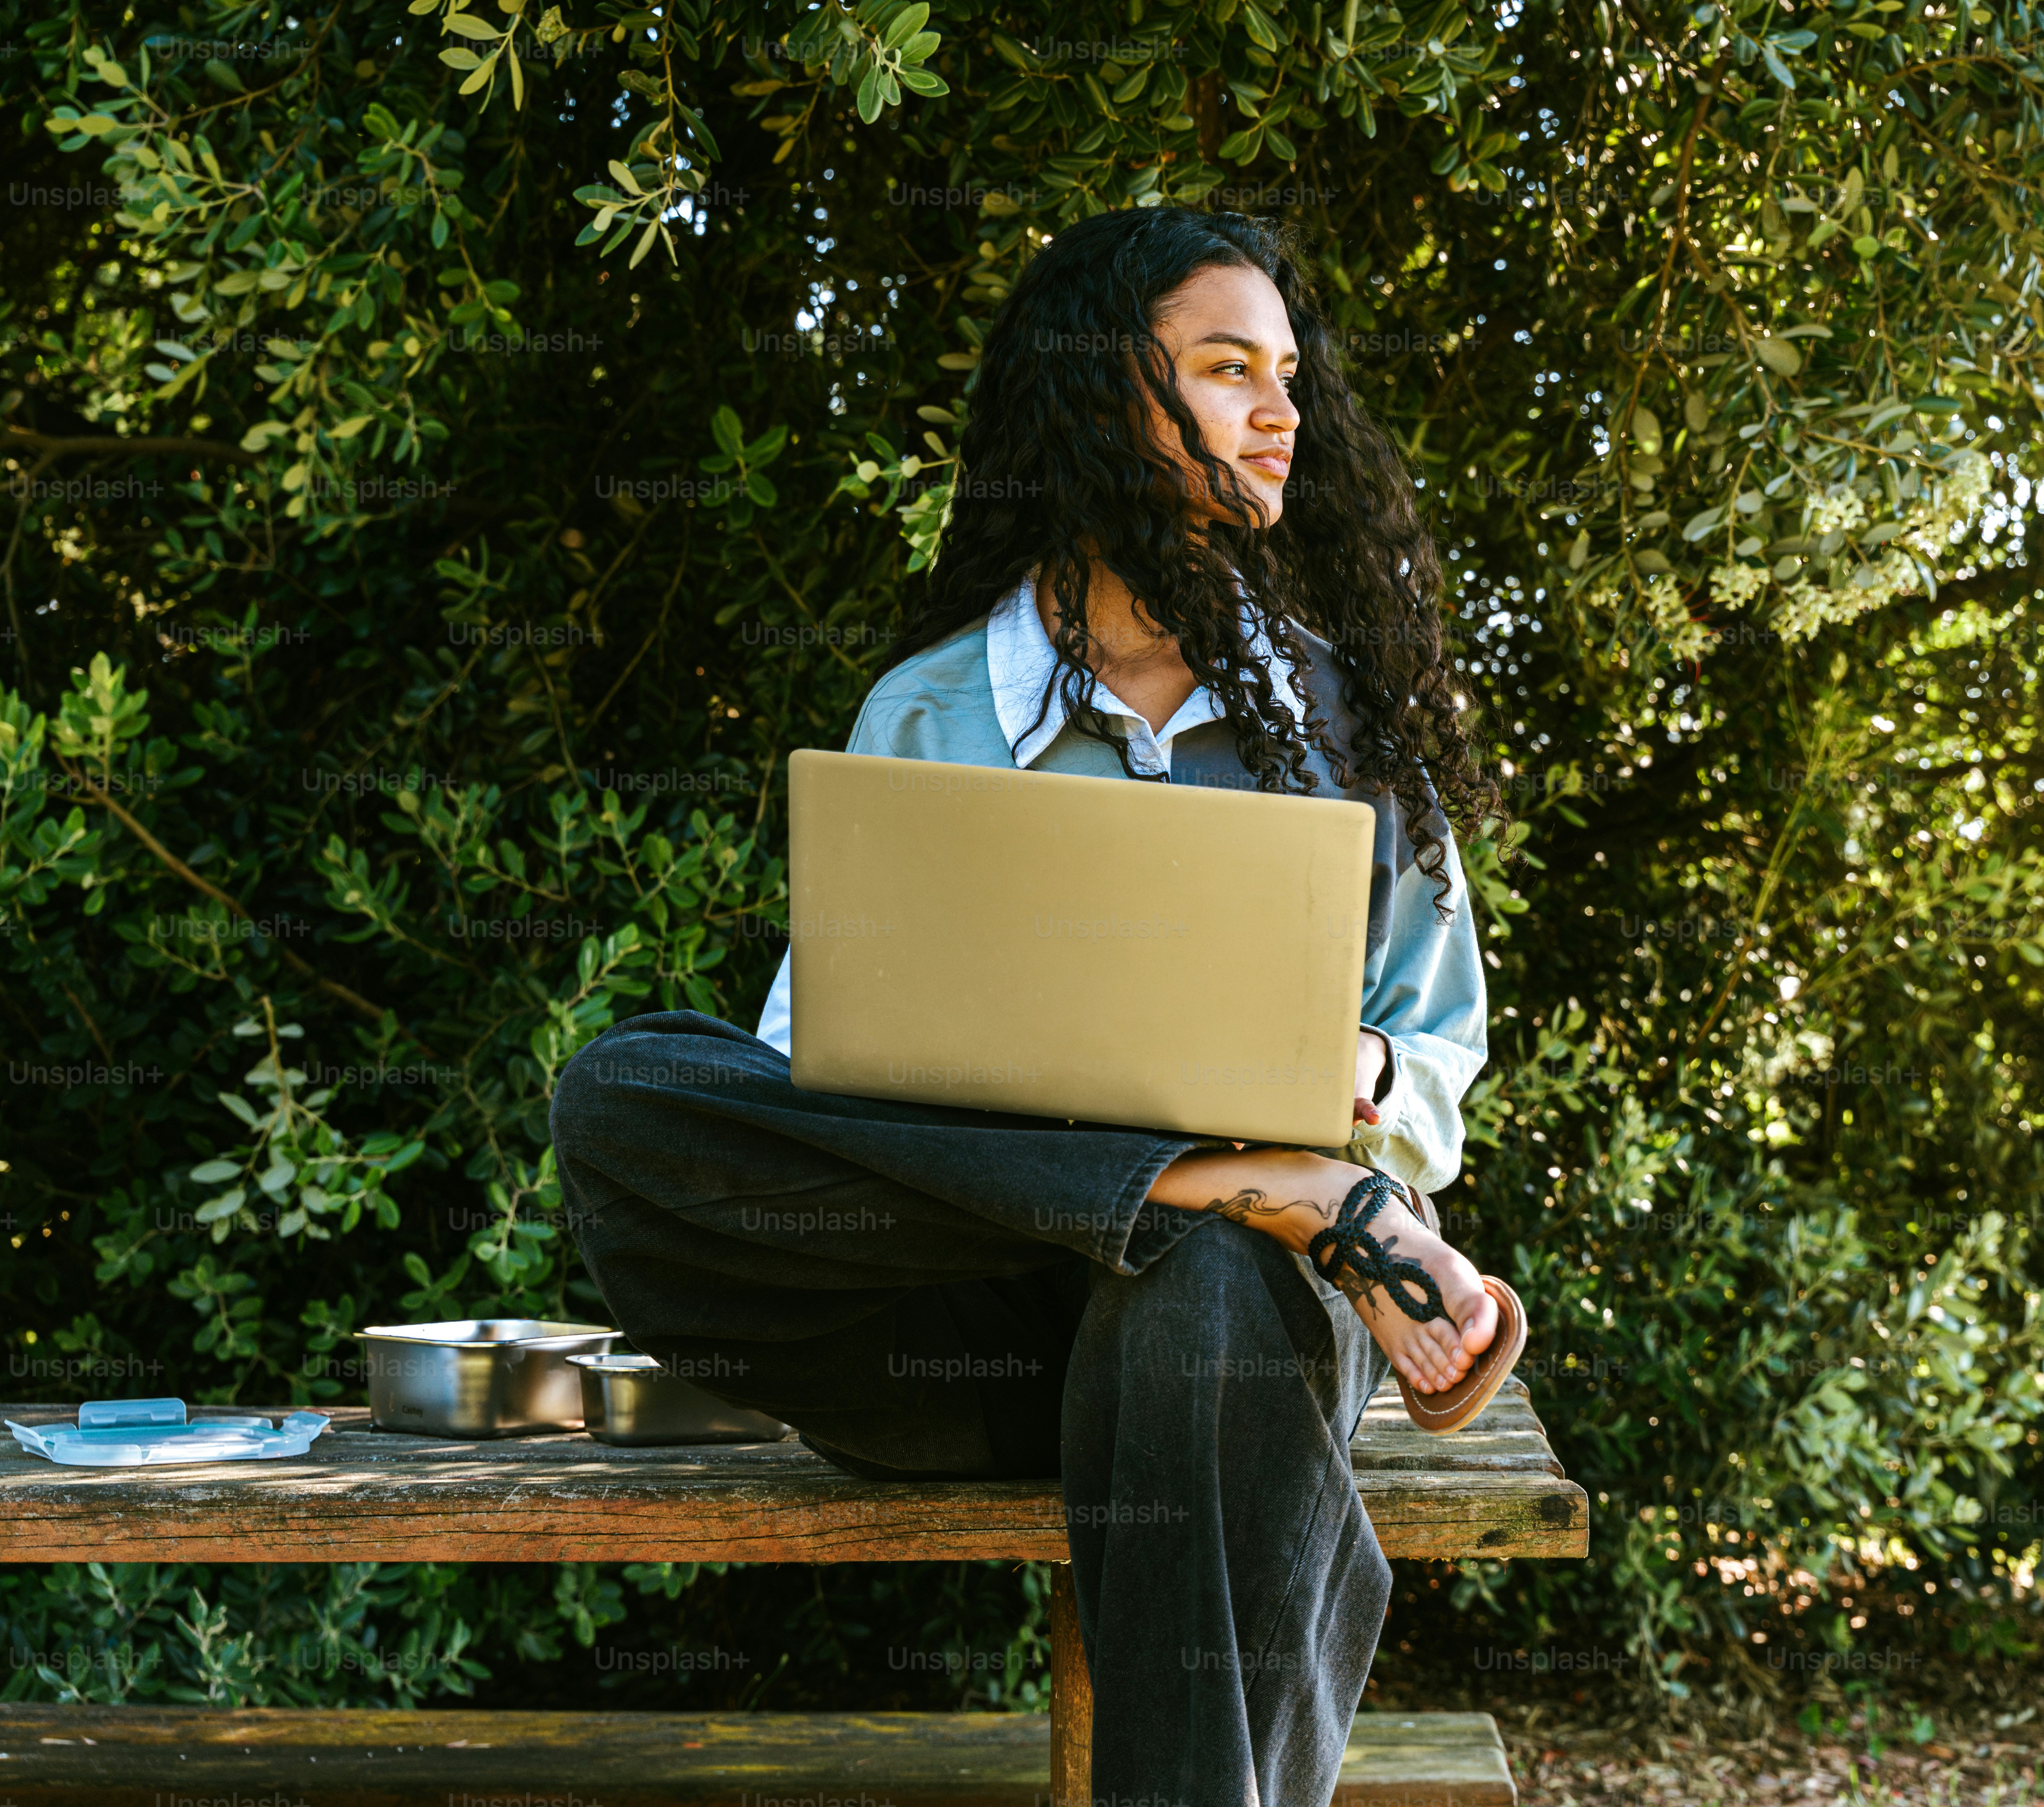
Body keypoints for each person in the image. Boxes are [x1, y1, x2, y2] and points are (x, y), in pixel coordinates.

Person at [549, 205, 1521, 1804]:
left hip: (1228, 1348)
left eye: (1287, 375)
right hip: (965, 1334)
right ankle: (1256, 1191)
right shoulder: (931, 709)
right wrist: (1230, 1165)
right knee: (624, 1093)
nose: (1284, 412)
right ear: (1101, 396)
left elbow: (1438, 1060)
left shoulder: (1350, 727)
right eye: (1228, 370)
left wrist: (1346, 1072)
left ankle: (1245, 1206)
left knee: (1202, 1289)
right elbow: (811, 1086)